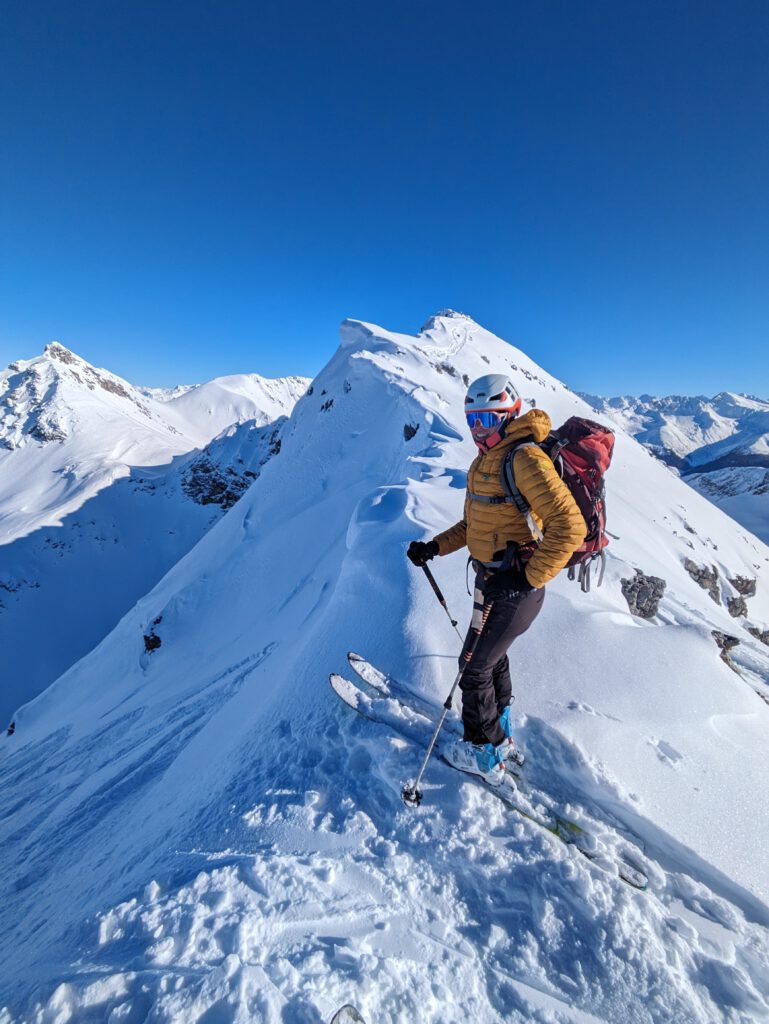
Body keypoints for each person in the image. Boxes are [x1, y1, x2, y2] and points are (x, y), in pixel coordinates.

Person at [407, 374, 586, 785]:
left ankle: (482, 751)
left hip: (516, 590)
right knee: (490, 660)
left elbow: (569, 527)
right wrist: (434, 547)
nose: (478, 429)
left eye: (488, 419)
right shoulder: (485, 461)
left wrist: (526, 579)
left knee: (472, 667)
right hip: (494, 582)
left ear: (509, 416)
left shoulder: (523, 459)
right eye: (473, 420)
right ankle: (499, 736)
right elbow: (474, 524)